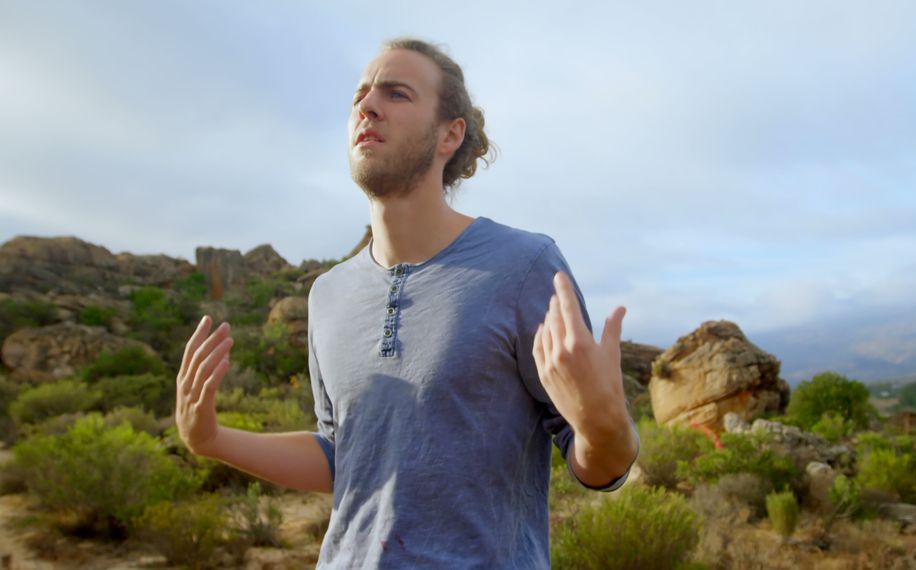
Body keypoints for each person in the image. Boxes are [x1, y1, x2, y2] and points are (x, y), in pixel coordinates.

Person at [174, 37, 638, 568]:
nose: (367, 106)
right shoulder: (327, 295)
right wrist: (211, 439)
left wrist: (605, 429)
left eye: (396, 94)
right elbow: (341, 457)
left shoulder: (524, 266)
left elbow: (600, 464)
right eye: (360, 95)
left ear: (450, 134)